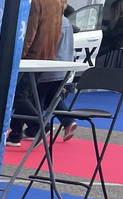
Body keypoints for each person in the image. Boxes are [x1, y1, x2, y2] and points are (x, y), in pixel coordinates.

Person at [7, 0, 63, 146]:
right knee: (25, 96)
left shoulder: (36, 3)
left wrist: (19, 56)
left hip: (31, 57)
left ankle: (39, 125)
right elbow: (57, 31)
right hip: (45, 55)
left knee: (18, 95)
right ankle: (15, 134)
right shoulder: (57, 3)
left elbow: (29, 33)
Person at [36, 0, 75, 139]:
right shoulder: (67, 22)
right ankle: (68, 122)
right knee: (52, 98)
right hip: (63, 67)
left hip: (49, 66)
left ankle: (37, 128)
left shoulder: (51, 20)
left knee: (37, 99)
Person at [97, 0, 123, 68]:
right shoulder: (118, 21)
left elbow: (114, 34)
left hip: (115, 47)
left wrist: (103, 33)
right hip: (115, 46)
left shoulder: (120, 21)